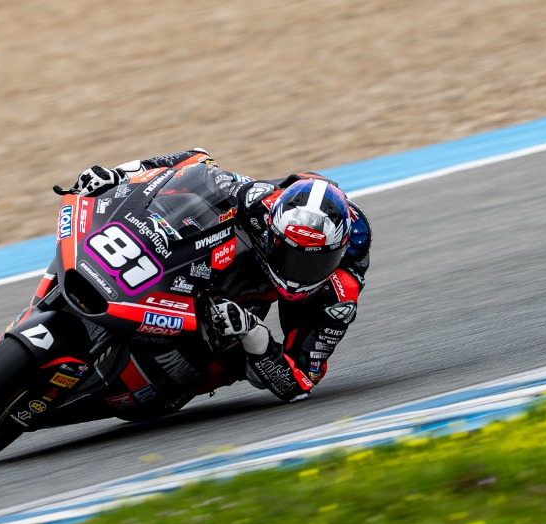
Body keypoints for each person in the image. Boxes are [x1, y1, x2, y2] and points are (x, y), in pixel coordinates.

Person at [56, 148, 371, 403]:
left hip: (251, 306)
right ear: (273, 232)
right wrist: (119, 174)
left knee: (226, 363)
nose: (296, 273)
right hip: (229, 258)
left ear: (339, 252)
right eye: (289, 256)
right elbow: (195, 162)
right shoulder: (258, 202)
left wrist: (253, 333)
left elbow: (297, 383)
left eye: (312, 263)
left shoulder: (340, 294)